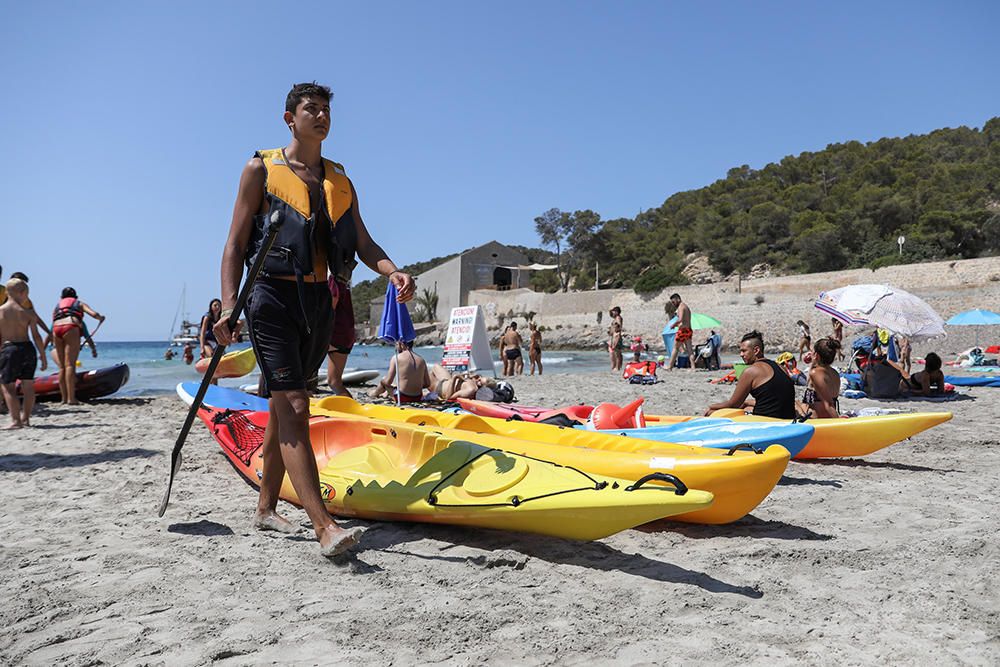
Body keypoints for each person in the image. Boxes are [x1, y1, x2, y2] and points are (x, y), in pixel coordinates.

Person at [214, 82, 414, 558]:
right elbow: (234, 246)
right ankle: (324, 527)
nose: (321, 116)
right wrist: (226, 304)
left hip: (319, 302)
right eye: (311, 109)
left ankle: (265, 509)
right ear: (290, 118)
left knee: (285, 407)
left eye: (326, 110)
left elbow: (362, 242)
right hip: (270, 299)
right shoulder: (260, 169)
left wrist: (391, 271)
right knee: (298, 406)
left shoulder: (340, 179)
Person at [706, 330, 796, 419]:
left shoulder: (750, 371)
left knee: (712, 413)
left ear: (756, 350)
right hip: (789, 420)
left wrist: (711, 406)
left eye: (744, 351)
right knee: (747, 407)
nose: (741, 354)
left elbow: (733, 404)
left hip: (766, 423)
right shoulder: (781, 367)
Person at [0, 279, 47, 428]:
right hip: (28, 349)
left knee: (7, 386)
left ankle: (16, 421)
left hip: (10, 349)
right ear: (23, 293)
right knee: (28, 386)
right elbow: (36, 336)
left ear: (7, 292)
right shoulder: (29, 313)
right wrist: (43, 356)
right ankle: (26, 419)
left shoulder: (0, 311)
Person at [51, 287, 104, 405]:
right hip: (70, 326)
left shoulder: (57, 306)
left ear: (61, 297)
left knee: (62, 367)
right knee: (70, 365)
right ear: (76, 297)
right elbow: (93, 314)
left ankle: (63, 399)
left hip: (56, 328)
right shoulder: (79, 303)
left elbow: (53, 320)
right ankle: (71, 399)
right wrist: (100, 318)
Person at [324, 278, 358, 396]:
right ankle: (351, 409)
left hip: (335, 333)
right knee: (334, 382)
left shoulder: (332, 277)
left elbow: (332, 301)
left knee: (303, 379)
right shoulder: (343, 279)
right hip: (346, 333)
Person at [802, 338, 842, 418]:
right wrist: (813, 363)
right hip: (822, 415)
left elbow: (829, 404)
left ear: (816, 355)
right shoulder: (834, 373)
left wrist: (839, 424)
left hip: (815, 419)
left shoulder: (816, 373)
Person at [428, 364, 498, 401]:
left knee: (424, 372)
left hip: (439, 388)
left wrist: (455, 378)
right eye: (479, 377)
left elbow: (448, 398)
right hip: (447, 381)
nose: (477, 379)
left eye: (479, 381)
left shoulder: (470, 390)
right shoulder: (473, 383)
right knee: (436, 366)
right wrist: (469, 376)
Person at [667, 294, 694, 372]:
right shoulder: (686, 307)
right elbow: (686, 320)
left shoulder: (681, 307)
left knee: (675, 348)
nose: (673, 303)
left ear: (677, 299)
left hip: (682, 331)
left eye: (673, 301)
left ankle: (670, 367)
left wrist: (673, 325)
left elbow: (680, 319)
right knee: (689, 349)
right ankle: (693, 367)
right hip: (688, 329)